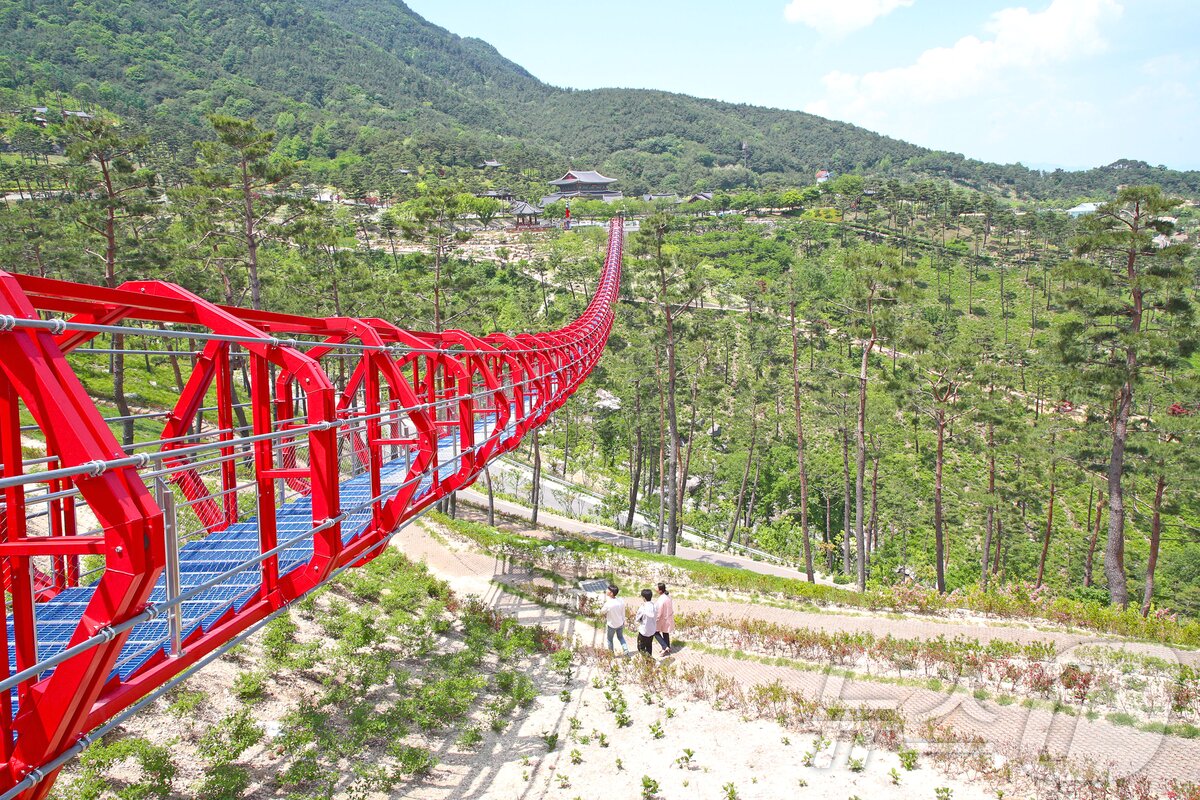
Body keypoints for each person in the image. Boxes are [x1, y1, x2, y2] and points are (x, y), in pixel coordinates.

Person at [599, 585, 630, 656]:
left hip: (611, 625)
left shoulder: (608, 604)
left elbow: (602, 612)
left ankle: (611, 654)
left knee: (609, 639)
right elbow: (623, 612)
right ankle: (626, 650)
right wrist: (623, 621)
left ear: (611, 593)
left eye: (608, 590)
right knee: (621, 637)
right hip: (620, 623)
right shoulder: (620, 600)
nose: (606, 590)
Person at [634, 588, 657, 657]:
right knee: (649, 646)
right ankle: (649, 662)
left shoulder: (643, 607)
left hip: (644, 631)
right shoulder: (654, 606)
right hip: (652, 630)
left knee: (640, 647)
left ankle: (649, 659)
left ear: (644, 598)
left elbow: (637, 619)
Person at [654, 582, 675, 656]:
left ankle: (664, 646)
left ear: (660, 590)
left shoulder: (661, 599)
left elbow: (659, 612)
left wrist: (655, 619)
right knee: (665, 633)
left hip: (663, 619)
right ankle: (667, 647)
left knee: (655, 632)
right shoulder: (668, 596)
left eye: (656, 588)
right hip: (668, 617)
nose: (655, 589)